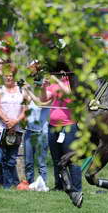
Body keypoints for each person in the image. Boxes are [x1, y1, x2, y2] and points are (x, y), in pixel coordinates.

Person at [41, 68, 82, 199]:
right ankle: (60, 185)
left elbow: (70, 96)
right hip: (53, 126)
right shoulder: (53, 84)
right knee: (56, 158)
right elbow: (43, 99)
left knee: (71, 159)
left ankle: (76, 187)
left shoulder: (72, 83)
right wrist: (43, 86)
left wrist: (59, 80)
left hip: (68, 126)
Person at [0, 63, 26, 189]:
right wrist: (8, 121)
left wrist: (16, 122)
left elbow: (26, 110)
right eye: (6, 75)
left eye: (11, 75)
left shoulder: (21, 90)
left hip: (15, 129)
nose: (8, 78)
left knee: (11, 160)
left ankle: (7, 186)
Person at [21, 65, 51, 185]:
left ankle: (42, 185)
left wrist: (30, 90)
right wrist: (25, 89)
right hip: (29, 131)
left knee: (41, 163)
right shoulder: (30, 92)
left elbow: (40, 103)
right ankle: (29, 184)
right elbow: (24, 102)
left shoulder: (48, 93)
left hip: (41, 133)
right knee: (28, 162)